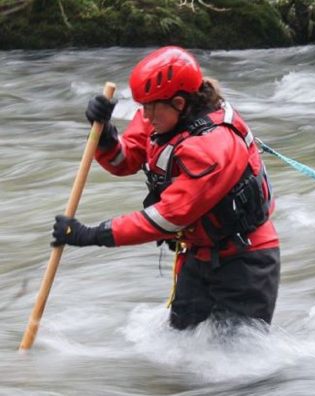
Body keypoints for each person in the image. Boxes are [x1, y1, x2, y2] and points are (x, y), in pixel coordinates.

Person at [52, 46, 280, 330]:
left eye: (149, 107)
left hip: (244, 264)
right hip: (198, 257)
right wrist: (106, 137)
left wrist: (93, 234)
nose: (144, 116)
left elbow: (169, 217)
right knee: (182, 353)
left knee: (236, 366)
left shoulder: (211, 147)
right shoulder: (162, 115)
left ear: (180, 103)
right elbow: (126, 159)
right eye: (142, 107)